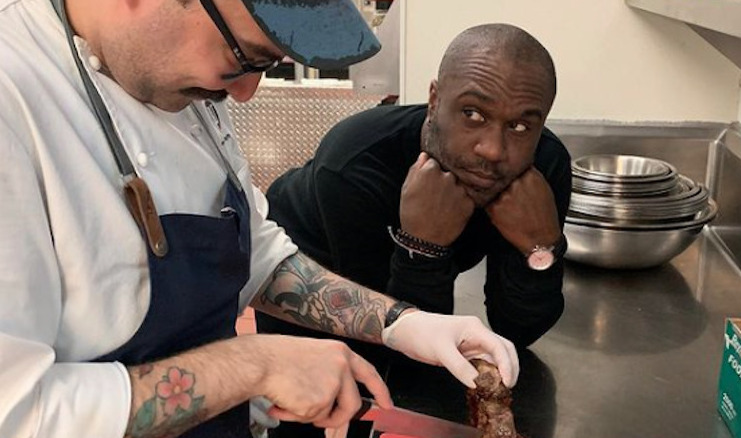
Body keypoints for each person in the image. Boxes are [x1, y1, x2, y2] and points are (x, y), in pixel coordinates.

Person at [0, 0, 522, 436]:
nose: (245, 93)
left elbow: (258, 256)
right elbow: (18, 415)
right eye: (244, 57)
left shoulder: (183, 86)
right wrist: (258, 364)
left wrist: (401, 324)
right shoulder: (14, 99)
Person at [260, 21, 571, 420]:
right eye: (472, 114)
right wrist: (421, 247)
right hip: (305, 263)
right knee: (311, 411)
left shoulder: (544, 167)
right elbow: (393, 344)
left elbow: (519, 333)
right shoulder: (356, 165)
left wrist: (541, 248)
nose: (493, 150)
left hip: (398, 294)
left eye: (520, 126)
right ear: (434, 100)